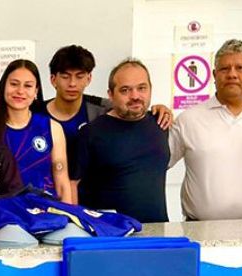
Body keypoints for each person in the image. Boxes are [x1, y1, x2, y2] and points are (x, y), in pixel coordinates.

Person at [44, 45, 172, 177]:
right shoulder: (35, 113)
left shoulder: (102, 108)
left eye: (79, 76)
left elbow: (130, 108)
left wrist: (160, 108)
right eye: (65, 77)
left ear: (89, 79)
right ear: (53, 80)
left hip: (88, 190)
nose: (72, 83)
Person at [72, 59, 169, 223]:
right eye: (125, 90)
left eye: (142, 88)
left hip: (157, 232)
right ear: (110, 94)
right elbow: (71, 185)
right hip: (109, 235)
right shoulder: (91, 133)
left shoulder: (161, 123)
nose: (135, 96)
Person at [169, 39, 242, 220]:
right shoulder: (188, 120)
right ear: (214, 75)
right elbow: (154, 165)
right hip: (200, 231)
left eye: (240, 68)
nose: (232, 74)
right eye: (224, 69)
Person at [0, 60, 73, 203]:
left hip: (47, 213)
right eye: (14, 84)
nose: (20, 91)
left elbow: (62, 182)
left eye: (28, 86)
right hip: (6, 215)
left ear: (36, 91)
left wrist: (70, 217)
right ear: (3, 87)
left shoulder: (51, 128)